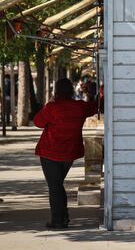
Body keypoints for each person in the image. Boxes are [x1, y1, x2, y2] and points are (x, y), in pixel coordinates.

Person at [33, 78, 97, 229]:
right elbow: (95, 107)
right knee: (57, 185)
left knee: (54, 187)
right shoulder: (80, 107)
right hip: (69, 153)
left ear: (57, 90)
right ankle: (63, 217)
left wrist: (49, 103)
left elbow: (37, 122)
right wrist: (90, 94)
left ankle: (58, 221)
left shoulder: (52, 107)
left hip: (50, 152)